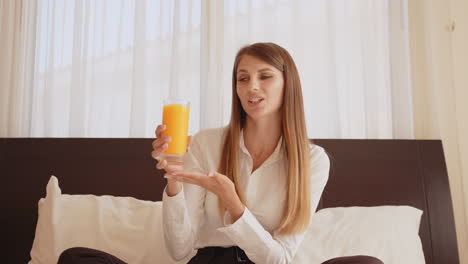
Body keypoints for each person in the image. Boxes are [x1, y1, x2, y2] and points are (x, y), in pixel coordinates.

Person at [58, 43, 384, 264]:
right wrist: (173, 180)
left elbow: (280, 259)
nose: (251, 87)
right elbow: (179, 249)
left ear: (289, 85)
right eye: (243, 79)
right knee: (77, 259)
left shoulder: (312, 161)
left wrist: (235, 205)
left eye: (265, 76)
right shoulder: (206, 143)